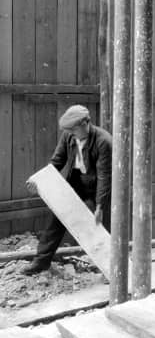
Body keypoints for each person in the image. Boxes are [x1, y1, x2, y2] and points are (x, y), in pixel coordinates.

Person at [22, 105, 112, 275]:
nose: (70, 132)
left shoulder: (103, 141)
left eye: (73, 129)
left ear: (86, 123)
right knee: (55, 221)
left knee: (104, 226)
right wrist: (38, 180)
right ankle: (42, 262)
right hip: (77, 182)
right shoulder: (68, 135)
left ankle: (111, 268)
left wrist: (100, 205)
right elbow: (56, 162)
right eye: (68, 130)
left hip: (100, 187)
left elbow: (104, 176)